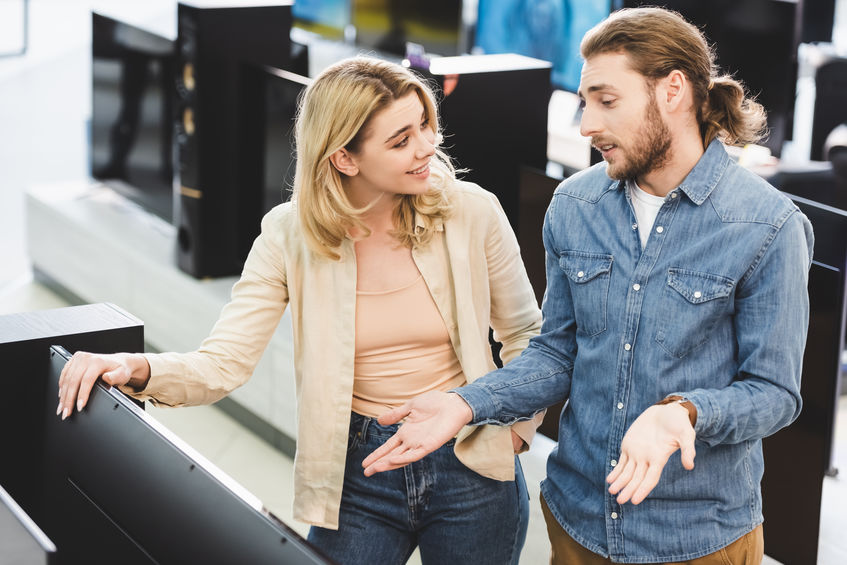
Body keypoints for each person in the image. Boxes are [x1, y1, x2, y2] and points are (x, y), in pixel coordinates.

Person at [362, 7, 814, 564]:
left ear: (672, 90)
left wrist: (684, 415)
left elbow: (775, 394)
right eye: (584, 103)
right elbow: (557, 354)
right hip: (577, 522)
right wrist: (466, 404)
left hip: (699, 537)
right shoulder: (575, 205)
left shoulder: (769, 226)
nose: (586, 125)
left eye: (606, 100)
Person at [56, 56, 544, 565]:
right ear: (344, 159)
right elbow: (223, 364)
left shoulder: (472, 210)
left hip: (470, 454)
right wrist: (137, 368)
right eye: (401, 140)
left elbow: (528, 336)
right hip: (359, 470)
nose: (428, 147)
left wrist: (514, 433)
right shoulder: (288, 235)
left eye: (424, 125)